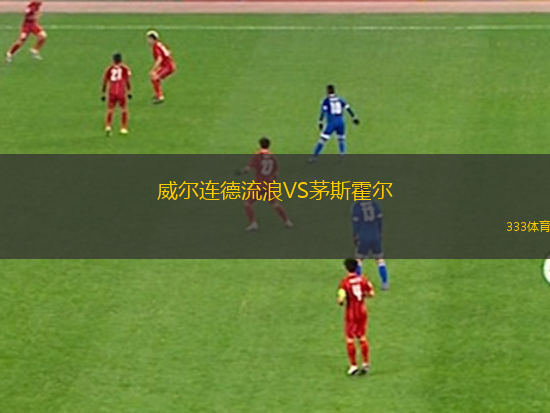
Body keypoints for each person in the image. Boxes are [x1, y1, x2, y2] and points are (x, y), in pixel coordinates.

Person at [236, 137, 293, 231]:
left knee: (248, 203)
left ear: (260, 144)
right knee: (274, 203)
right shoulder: (272, 157)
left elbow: (248, 168)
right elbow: (276, 173)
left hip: (259, 184)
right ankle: (287, 221)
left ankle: (253, 223)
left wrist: (241, 172)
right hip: (269, 184)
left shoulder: (257, 156)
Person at [337, 258, 375, 376]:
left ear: (346, 268)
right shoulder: (364, 279)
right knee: (362, 337)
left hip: (351, 313)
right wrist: (362, 295)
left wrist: (341, 301)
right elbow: (371, 294)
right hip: (362, 311)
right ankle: (365, 363)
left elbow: (341, 299)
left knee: (350, 338)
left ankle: (353, 366)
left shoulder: (344, 283)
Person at [351, 200, 389, 290]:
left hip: (363, 236)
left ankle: (358, 284)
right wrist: (379, 233)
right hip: (375, 236)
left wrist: (355, 235)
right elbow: (380, 220)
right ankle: (385, 283)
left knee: (359, 260)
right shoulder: (375, 204)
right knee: (380, 260)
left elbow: (355, 223)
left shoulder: (357, 206)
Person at [101, 53, 132, 136]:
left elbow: (105, 81)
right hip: (121, 91)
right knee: (124, 109)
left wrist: (103, 93)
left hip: (112, 91)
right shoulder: (125, 69)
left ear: (113, 60)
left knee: (110, 109)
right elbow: (127, 80)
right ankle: (123, 128)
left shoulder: (109, 69)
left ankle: (108, 126)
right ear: (121, 60)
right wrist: (129, 91)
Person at [146, 30, 176, 104]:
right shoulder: (160, 44)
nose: (148, 41)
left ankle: (160, 97)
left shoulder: (156, 47)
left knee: (154, 77)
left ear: (153, 39)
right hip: (168, 65)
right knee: (154, 78)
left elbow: (159, 59)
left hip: (168, 67)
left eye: (149, 39)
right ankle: (158, 94)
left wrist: (153, 69)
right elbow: (168, 52)